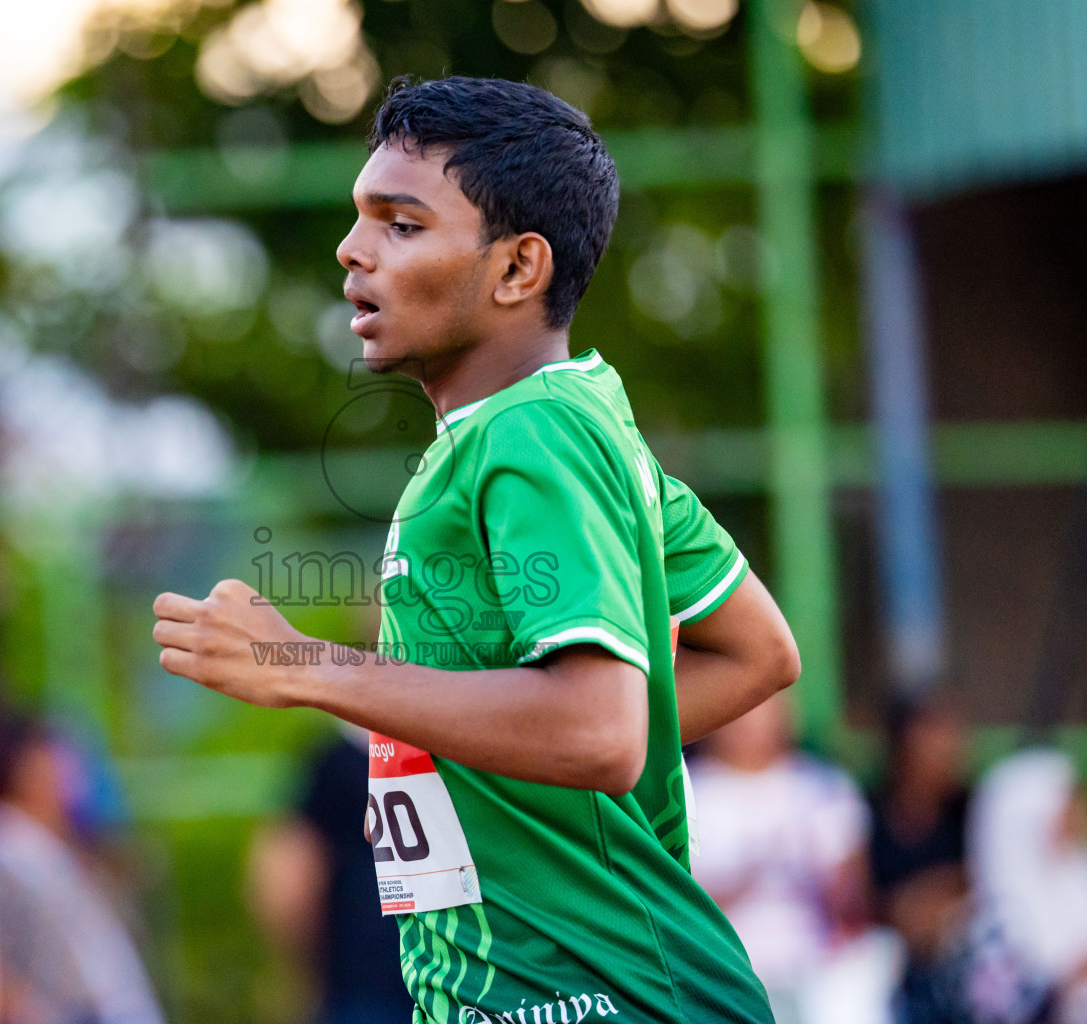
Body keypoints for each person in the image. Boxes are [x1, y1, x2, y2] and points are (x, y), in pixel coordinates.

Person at [152, 76, 801, 1023]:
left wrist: (301, 663)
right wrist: (497, 760)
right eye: (360, 218)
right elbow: (757, 654)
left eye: (401, 224)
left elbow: (601, 732)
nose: (352, 249)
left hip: (597, 1003)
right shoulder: (570, 420)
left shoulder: (533, 431)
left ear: (517, 268)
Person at [687, 693, 887, 1024]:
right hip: (725, 972)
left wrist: (822, 872)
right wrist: (755, 871)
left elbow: (856, 909)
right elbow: (682, 908)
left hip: (817, 975)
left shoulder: (824, 787)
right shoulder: (690, 790)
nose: (750, 721)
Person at [0, 712, 167, 1024]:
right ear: (26, 770)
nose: (74, 776)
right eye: (58, 762)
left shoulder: (52, 848)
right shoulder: (5, 851)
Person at [247, 725, 416, 1024]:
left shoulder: (333, 763)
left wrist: (302, 973)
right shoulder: (454, 758)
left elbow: (287, 888)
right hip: (431, 975)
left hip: (365, 983)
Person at [964, 749, 1087, 1024]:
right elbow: (1000, 1005)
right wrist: (1067, 979)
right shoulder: (991, 920)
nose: (1076, 817)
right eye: (1064, 807)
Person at [869, 701, 973, 1024]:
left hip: (958, 956)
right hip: (888, 960)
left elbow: (991, 879)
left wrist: (937, 899)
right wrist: (901, 912)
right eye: (934, 741)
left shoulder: (970, 809)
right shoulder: (868, 809)